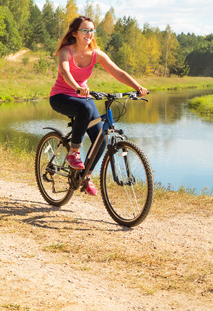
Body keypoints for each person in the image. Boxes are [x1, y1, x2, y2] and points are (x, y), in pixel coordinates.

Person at [48, 15, 148, 196]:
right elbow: (64, 70)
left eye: (92, 30)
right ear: (75, 33)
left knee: (102, 138)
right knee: (85, 108)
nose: (89, 34)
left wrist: (138, 87)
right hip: (61, 96)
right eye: (84, 30)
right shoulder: (66, 51)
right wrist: (77, 87)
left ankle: (85, 176)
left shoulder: (96, 54)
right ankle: (74, 152)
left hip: (82, 97)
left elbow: (118, 72)